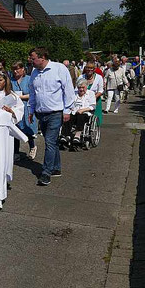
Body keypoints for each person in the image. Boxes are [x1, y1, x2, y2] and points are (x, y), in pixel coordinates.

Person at [27, 47, 75, 186]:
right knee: (52, 142)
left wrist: (67, 110)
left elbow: (68, 90)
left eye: (33, 58)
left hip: (55, 112)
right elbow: (33, 93)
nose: (31, 60)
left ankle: (46, 172)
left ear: (42, 57)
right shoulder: (34, 73)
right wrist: (31, 110)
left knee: (49, 141)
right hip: (41, 113)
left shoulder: (59, 69)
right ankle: (56, 168)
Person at [0, 71, 24, 182]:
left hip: (6, 131)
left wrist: (11, 111)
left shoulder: (12, 95)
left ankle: (4, 178)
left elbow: (20, 109)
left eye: (0, 80)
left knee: (5, 155)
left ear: (6, 81)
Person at [11, 61, 38, 160]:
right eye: (14, 69)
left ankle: (32, 147)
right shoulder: (11, 81)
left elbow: (33, 94)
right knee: (16, 129)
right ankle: (16, 152)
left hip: (27, 106)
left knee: (28, 128)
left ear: (23, 69)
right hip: (15, 107)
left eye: (18, 69)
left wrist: (20, 97)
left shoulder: (29, 79)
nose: (15, 71)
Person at [59, 78, 96, 148]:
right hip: (74, 112)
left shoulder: (91, 94)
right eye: (79, 87)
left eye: (83, 87)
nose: (81, 89)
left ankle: (77, 135)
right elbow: (69, 103)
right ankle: (67, 135)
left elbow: (93, 106)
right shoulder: (74, 94)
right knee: (68, 116)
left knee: (80, 116)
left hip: (85, 113)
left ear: (86, 86)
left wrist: (83, 110)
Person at [80, 61, 104, 126]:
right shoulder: (81, 77)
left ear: (94, 69)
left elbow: (101, 90)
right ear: (85, 68)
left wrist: (93, 98)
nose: (89, 70)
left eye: (91, 68)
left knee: (94, 119)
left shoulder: (99, 77)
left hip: (95, 99)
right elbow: (77, 89)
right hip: (83, 99)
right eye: (88, 68)